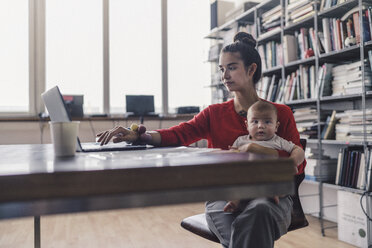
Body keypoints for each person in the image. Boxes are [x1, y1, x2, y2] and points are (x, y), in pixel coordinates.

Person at [97, 31, 306, 248]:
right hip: (223, 195)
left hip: (271, 196)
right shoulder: (213, 113)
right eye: (222, 69)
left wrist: (258, 150)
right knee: (250, 233)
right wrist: (141, 136)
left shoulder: (280, 113)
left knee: (259, 212)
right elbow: (179, 134)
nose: (224, 75)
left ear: (251, 69)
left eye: (232, 67)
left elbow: (299, 166)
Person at [224, 100, 305, 213]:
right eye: (255, 121)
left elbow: (298, 150)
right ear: (247, 125)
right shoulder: (241, 141)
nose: (261, 126)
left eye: (267, 122)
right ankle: (234, 202)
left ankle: (272, 194)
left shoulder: (278, 141)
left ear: (276, 126)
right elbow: (231, 157)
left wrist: (292, 162)